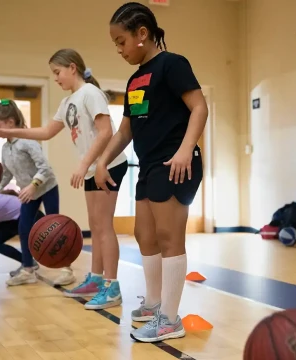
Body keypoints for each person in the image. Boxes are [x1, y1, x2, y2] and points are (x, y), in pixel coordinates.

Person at [94, 2, 208, 342]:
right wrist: (102, 160)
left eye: (121, 41)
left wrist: (186, 148)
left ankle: (171, 320)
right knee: (146, 235)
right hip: (149, 166)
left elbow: (199, 107)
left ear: (142, 33)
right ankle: (157, 304)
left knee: (170, 238)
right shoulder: (134, 80)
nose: (118, 49)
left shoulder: (173, 64)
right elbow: (124, 131)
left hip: (175, 163)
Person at [0, 49, 128, 310]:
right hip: (92, 168)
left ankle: (112, 287)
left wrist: (86, 163)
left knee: (104, 226)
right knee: (95, 227)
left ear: (72, 68)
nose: (56, 78)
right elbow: (47, 132)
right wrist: (10, 130)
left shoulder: (91, 94)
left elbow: (106, 132)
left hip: (109, 165)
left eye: (57, 72)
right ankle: (96, 280)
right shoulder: (67, 103)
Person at [0, 99, 75, 287]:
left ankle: (67, 270)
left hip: (46, 187)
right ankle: (28, 269)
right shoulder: (5, 148)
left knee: (55, 230)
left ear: (10, 123)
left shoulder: (27, 142)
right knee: (24, 228)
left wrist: (33, 185)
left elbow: (45, 168)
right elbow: (6, 175)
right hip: (29, 192)